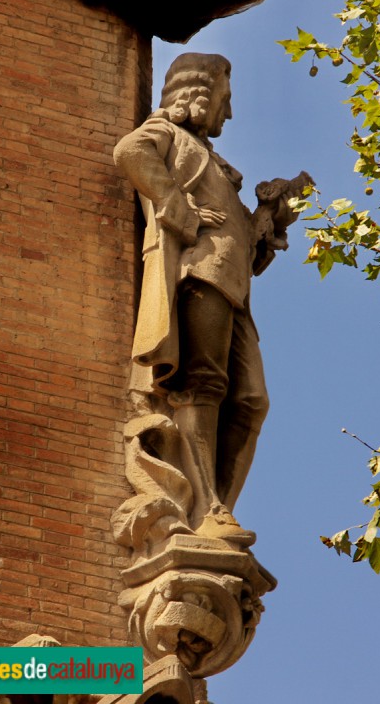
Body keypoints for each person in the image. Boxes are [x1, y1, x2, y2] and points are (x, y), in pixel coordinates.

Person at [114, 53, 302, 543]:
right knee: (203, 383)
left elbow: (243, 246)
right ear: (197, 96)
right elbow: (131, 151)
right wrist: (180, 207)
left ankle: (217, 504)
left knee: (252, 400)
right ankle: (208, 508)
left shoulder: (214, 162)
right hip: (200, 276)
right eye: (225, 99)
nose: (229, 113)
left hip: (234, 290)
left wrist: (269, 218)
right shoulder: (168, 134)